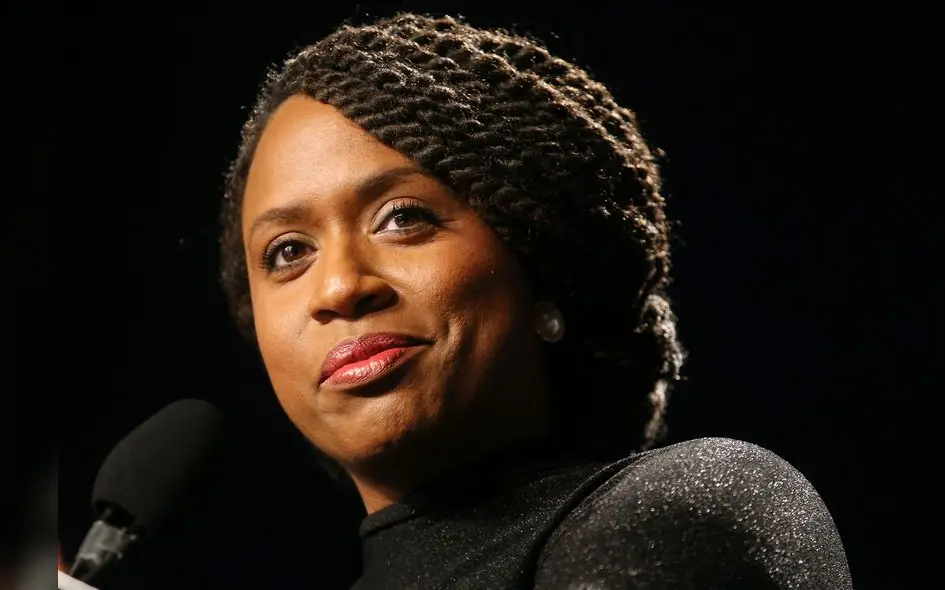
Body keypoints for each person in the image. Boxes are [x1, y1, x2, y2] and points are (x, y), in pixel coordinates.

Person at [218, 12, 852, 589]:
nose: (338, 287)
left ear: (543, 265)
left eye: (402, 217)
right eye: (287, 253)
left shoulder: (679, 516)